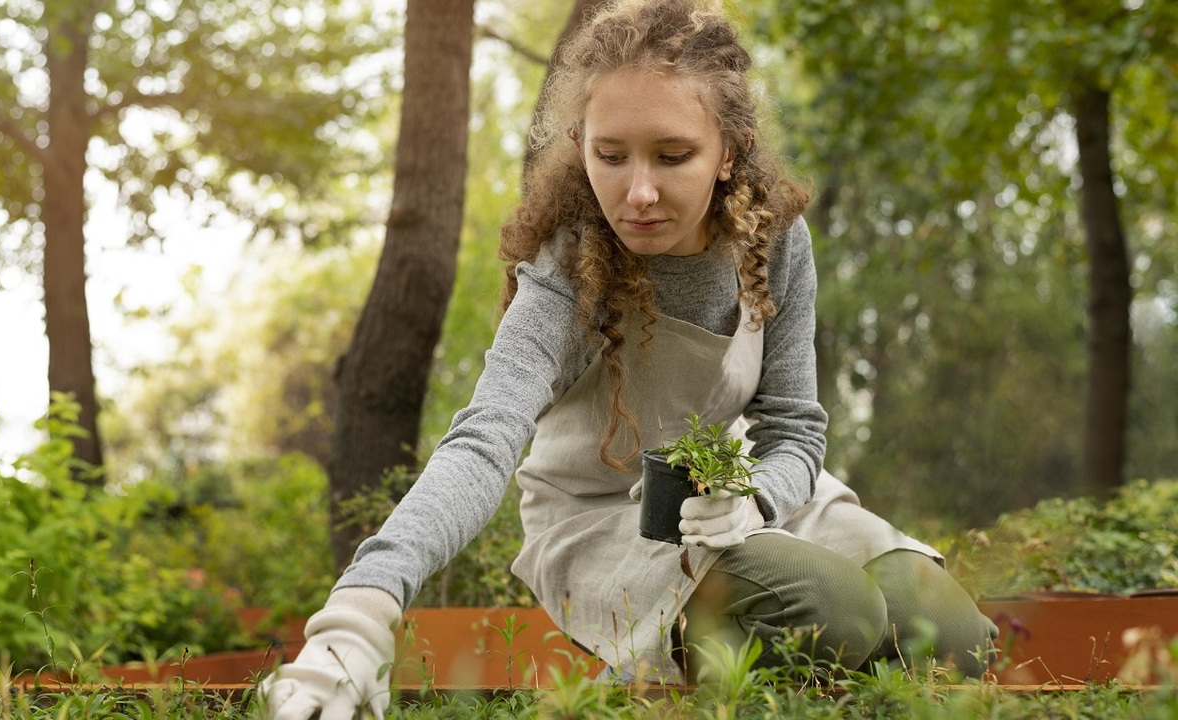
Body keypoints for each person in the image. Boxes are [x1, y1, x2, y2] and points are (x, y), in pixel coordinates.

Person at [261, 1, 997, 717]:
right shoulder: (565, 274)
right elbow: (482, 442)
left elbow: (794, 429)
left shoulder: (773, 241)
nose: (637, 192)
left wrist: (756, 503)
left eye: (673, 156)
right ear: (580, 143)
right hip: (599, 521)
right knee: (829, 609)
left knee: (948, 635)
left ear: (729, 152)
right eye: (609, 156)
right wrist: (361, 609)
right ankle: (685, 664)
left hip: (734, 497)